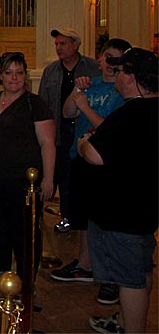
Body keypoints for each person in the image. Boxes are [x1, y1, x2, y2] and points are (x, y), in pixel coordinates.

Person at [79, 48, 158, 334]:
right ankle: (124, 322)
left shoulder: (131, 114)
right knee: (141, 271)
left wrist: (84, 144)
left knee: (130, 280)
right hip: (144, 210)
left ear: (132, 77)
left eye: (121, 71)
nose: (116, 75)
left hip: (122, 215)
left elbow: (96, 155)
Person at [50, 38, 131, 307]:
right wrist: (76, 92)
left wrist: (86, 108)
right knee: (85, 218)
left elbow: (112, 130)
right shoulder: (90, 84)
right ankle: (86, 265)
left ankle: (111, 277)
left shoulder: (126, 92)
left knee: (108, 222)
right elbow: (67, 112)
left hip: (107, 164)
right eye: (104, 57)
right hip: (80, 156)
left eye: (113, 59)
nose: (106, 63)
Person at [0, 52, 55, 284]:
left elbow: (47, 143)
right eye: (9, 73)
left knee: (23, 233)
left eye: (19, 73)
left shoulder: (35, 105)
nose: (14, 78)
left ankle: (25, 283)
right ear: (1, 76)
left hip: (20, 180)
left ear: (25, 76)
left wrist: (48, 179)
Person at [38, 27, 100, 233]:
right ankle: (44, 216)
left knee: (73, 177)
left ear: (75, 45)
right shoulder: (51, 71)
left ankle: (73, 217)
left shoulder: (92, 68)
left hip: (82, 129)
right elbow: (43, 103)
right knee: (54, 173)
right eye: (56, 44)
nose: (59, 48)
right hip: (57, 130)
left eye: (63, 44)